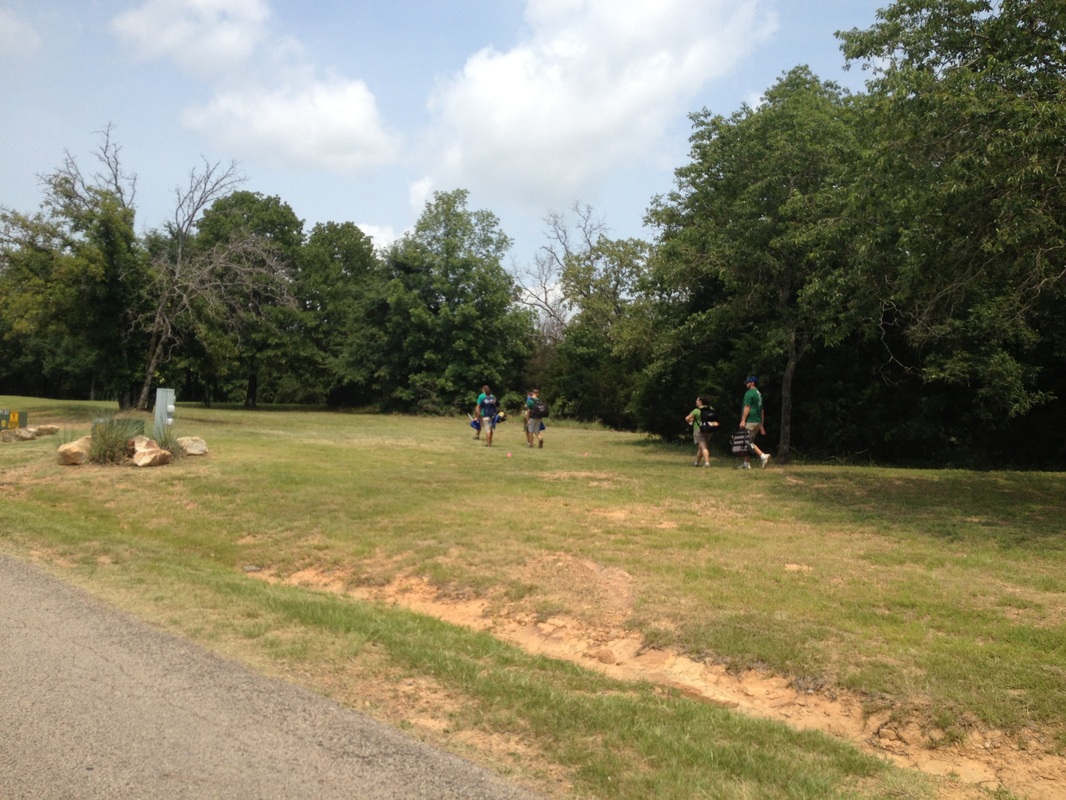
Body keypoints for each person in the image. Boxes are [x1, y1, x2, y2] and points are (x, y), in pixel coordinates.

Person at [738, 375, 770, 469]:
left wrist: (743, 420)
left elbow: (747, 407)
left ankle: (763, 456)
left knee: (747, 441)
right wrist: (762, 425)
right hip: (758, 421)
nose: (746, 384)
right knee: (750, 441)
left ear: (752, 383)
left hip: (750, 420)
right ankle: (746, 463)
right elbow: (762, 410)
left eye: (747, 382)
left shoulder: (749, 393)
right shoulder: (759, 394)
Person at [685, 396, 714, 467]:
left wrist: (690, 420)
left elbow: (687, 418)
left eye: (697, 400)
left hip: (699, 429)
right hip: (709, 429)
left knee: (703, 447)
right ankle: (696, 462)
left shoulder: (696, 410)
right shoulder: (711, 408)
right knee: (701, 447)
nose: (696, 402)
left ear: (700, 401)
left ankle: (707, 462)